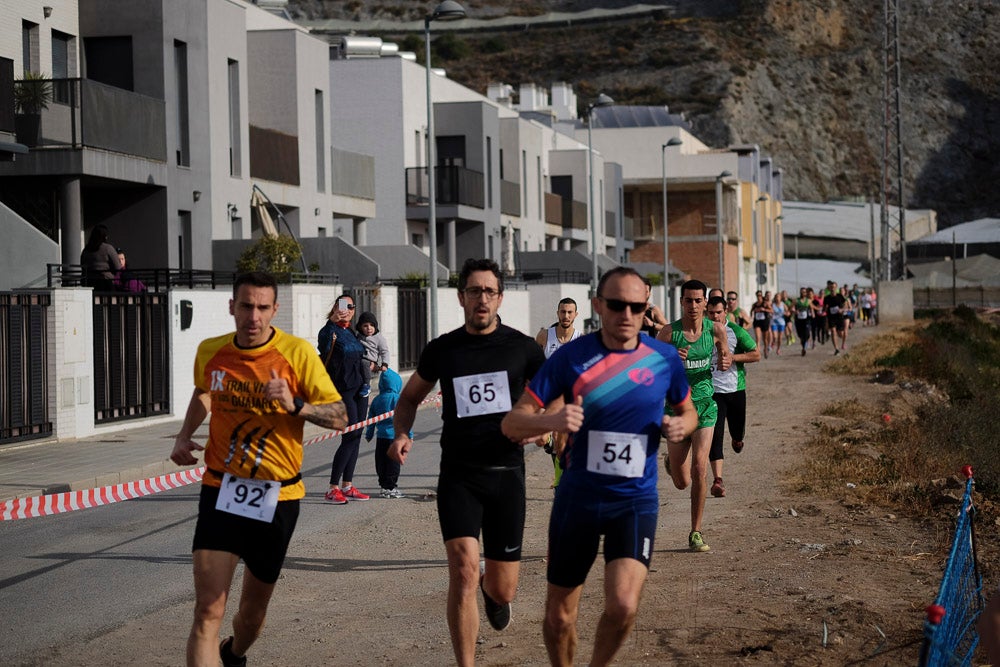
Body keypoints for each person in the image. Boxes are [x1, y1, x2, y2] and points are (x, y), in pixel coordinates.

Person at [501, 266, 697, 667]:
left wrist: (682, 424)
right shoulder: (572, 357)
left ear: (647, 308)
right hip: (579, 500)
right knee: (558, 618)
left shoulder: (663, 359)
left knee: (624, 606)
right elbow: (512, 421)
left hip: (634, 501)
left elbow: (688, 409)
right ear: (598, 305)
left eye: (637, 306)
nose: (627, 314)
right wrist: (550, 421)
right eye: (617, 305)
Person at [169, 271, 348, 667]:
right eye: (246, 306)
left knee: (250, 617)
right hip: (221, 488)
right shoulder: (211, 351)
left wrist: (296, 406)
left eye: (263, 307)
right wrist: (184, 435)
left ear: (274, 310)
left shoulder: (298, 354)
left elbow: (340, 416)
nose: (254, 316)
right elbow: (204, 390)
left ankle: (234, 654)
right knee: (207, 611)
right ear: (232, 307)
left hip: (278, 496)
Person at [388, 258, 546, 667]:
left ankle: (494, 592)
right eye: (474, 291)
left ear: (500, 297)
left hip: (507, 475)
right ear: (460, 297)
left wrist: (547, 426)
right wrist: (401, 434)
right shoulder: (443, 350)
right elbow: (408, 398)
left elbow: (554, 392)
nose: (481, 299)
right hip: (459, 475)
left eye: (489, 291)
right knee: (460, 571)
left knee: (504, 588)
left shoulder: (523, 348)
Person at [657, 279, 732, 552]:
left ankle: (696, 532)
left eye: (698, 300)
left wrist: (725, 360)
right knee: (682, 482)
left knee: (701, 468)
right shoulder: (668, 334)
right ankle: (672, 463)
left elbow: (725, 358)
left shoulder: (716, 330)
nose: (693, 305)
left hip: (704, 407)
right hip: (676, 409)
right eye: (688, 300)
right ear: (681, 302)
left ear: (706, 303)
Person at [318, 294, 371, 504]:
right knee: (349, 436)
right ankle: (333, 487)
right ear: (335, 308)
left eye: (351, 306)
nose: (348, 309)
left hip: (360, 388)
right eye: (343, 306)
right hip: (343, 389)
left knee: (357, 436)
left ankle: (348, 485)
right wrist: (331, 321)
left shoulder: (349, 330)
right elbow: (323, 345)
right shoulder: (330, 331)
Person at [705, 295, 760, 498]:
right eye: (711, 313)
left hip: (735, 390)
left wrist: (733, 357)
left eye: (718, 312)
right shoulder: (702, 332)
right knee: (715, 436)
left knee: (736, 431)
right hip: (712, 393)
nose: (715, 316)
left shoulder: (736, 331)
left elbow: (756, 354)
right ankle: (718, 480)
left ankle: (737, 440)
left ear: (725, 312)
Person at [534, 297, 583, 488]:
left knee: (561, 443)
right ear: (558, 313)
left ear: (576, 315)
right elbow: (533, 365)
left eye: (570, 312)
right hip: (546, 395)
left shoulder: (581, 339)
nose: (566, 316)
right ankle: (549, 446)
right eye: (563, 312)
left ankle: (560, 481)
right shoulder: (544, 336)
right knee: (540, 439)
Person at [364, 368, 409, 498]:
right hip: (394, 437)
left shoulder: (377, 399)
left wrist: (369, 434)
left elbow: (371, 419)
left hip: (381, 437)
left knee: (381, 462)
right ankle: (391, 487)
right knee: (393, 463)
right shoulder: (397, 398)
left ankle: (384, 486)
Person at [356, 311, 390, 398]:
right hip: (359, 359)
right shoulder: (359, 336)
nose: (369, 328)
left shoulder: (379, 338)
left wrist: (384, 364)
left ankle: (367, 385)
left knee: (364, 363)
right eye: (365, 326)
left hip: (370, 361)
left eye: (371, 325)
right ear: (360, 327)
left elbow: (384, 351)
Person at [80, 224, 121, 291]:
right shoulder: (108, 248)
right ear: (105, 236)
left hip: (88, 282)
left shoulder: (86, 250)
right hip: (105, 282)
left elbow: (82, 266)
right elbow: (118, 267)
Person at [825, 282, 848, 355]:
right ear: (829, 288)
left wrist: (842, 309)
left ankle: (841, 340)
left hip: (839, 317)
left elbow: (845, 305)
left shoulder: (840, 296)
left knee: (840, 334)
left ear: (836, 288)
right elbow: (824, 309)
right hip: (831, 317)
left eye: (834, 287)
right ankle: (836, 349)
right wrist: (825, 309)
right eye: (831, 287)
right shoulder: (826, 298)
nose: (832, 289)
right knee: (833, 331)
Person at [749, 290, 772, 358]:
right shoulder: (755, 304)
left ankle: (765, 350)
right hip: (757, 322)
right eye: (757, 295)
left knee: (765, 339)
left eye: (760, 295)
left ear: (762, 295)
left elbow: (772, 310)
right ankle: (758, 353)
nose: (759, 297)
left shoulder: (765, 303)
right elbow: (751, 311)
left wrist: (764, 309)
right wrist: (752, 316)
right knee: (758, 338)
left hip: (765, 322)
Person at [793, 287, 813, 356]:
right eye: (801, 292)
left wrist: (813, 313)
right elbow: (791, 308)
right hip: (798, 320)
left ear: (806, 293)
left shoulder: (809, 300)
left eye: (804, 292)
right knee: (801, 336)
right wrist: (795, 311)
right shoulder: (796, 300)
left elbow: (812, 308)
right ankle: (803, 348)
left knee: (807, 334)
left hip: (806, 320)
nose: (803, 293)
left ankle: (804, 346)